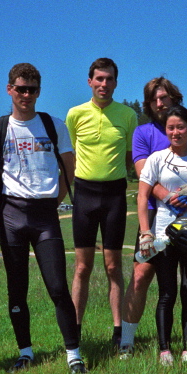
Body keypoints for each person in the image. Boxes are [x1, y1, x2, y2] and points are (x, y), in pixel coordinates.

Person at [0, 63, 87, 374]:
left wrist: (54, 203)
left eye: (33, 89)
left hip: (45, 216)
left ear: (40, 91)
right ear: (9, 89)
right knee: (17, 289)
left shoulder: (54, 126)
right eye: (21, 88)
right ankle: (25, 353)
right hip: (11, 214)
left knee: (57, 287)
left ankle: (74, 355)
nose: (26, 95)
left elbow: (70, 170)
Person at [118, 77, 187, 359]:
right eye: (154, 100)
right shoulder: (143, 133)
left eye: (164, 98)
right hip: (156, 215)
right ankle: (127, 340)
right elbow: (142, 174)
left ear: (175, 98)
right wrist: (170, 197)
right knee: (141, 275)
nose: (160, 104)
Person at [65, 58, 138, 346]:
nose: (103, 84)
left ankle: (118, 333)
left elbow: (131, 158)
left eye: (109, 79)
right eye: (98, 79)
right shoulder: (75, 114)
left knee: (113, 266)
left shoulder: (128, 115)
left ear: (116, 83)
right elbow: (72, 152)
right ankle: (75, 330)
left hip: (114, 196)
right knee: (82, 268)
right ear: (89, 82)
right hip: (84, 194)